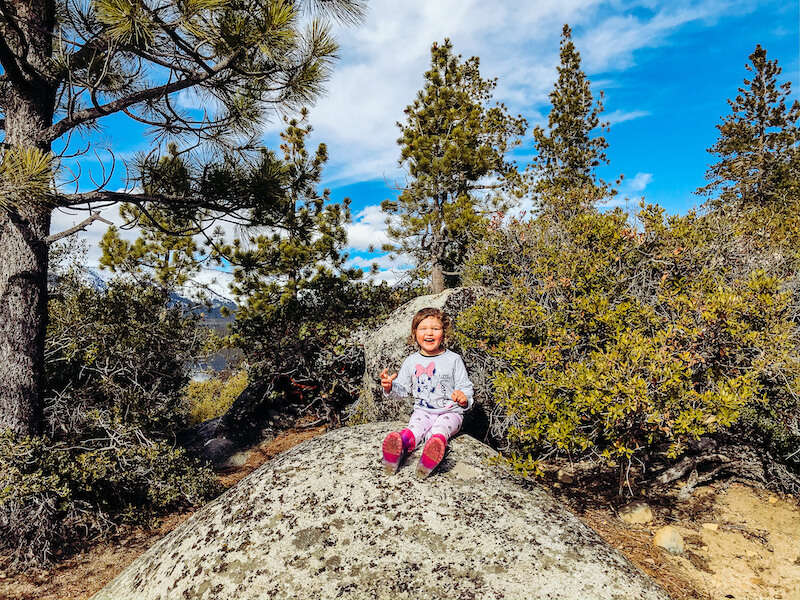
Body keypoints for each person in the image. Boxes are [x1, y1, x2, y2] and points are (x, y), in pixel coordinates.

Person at [380, 307, 474, 478]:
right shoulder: (411, 361)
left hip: (450, 411)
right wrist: (390, 387)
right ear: (414, 333)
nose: (429, 333)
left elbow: (465, 386)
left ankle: (430, 456)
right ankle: (399, 447)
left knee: (440, 429)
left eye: (435, 329)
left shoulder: (453, 359)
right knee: (415, 428)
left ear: (444, 333)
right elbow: (402, 389)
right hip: (423, 411)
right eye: (423, 329)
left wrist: (463, 397)